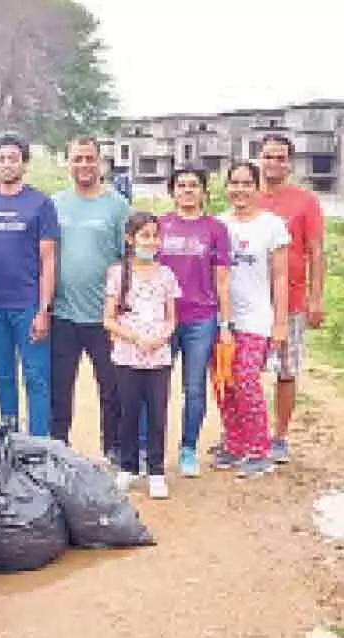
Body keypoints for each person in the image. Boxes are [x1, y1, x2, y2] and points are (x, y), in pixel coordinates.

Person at [148, 166, 232, 478]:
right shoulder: (159, 225)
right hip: (163, 319)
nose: (187, 190)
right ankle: (147, 448)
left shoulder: (216, 229)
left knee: (194, 388)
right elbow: (145, 271)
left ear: (204, 191)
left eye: (193, 185)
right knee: (154, 386)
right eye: (181, 185)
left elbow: (222, 281)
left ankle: (188, 449)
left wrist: (225, 324)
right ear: (172, 191)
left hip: (201, 320)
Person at [0, 132, 59, 435]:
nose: (7, 164)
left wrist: (43, 309)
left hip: (28, 306)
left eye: (13, 158)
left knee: (36, 378)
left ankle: (37, 445)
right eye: (1, 159)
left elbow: (48, 259)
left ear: (24, 164)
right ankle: (9, 440)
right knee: (3, 377)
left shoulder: (41, 204)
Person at [51, 136, 130, 459]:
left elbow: (127, 259)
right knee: (60, 387)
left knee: (111, 388)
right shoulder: (55, 204)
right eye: (77, 159)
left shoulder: (117, 205)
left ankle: (113, 449)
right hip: (62, 313)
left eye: (89, 158)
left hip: (104, 316)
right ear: (68, 163)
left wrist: (121, 307)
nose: (84, 165)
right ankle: (58, 449)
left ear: (100, 162)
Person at [214, 161, 289, 478]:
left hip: (256, 318)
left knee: (246, 382)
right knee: (224, 383)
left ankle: (259, 450)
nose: (240, 190)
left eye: (247, 183)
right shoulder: (219, 224)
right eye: (234, 183)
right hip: (222, 318)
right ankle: (234, 444)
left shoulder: (272, 226)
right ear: (226, 187)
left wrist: (280, 323)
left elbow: (281, 277)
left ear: (258, 188)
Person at [256, 133, 325, 464]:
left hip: (293, 301)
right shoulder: (247, 196)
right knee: (244, 371)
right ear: (260, 159)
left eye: (280, 158)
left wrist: (316, 298)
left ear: (290, 164)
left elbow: (316, 251)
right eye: (268, 156)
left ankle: (280, 436)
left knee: (286, 370)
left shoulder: (305, 202)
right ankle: (242, 433)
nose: (273, 163)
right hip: (252, 302)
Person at [103, 212, 181, 499]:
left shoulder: (166, 275)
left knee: (157, 413)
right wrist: (136, 338)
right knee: (129, 412)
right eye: (144, 235)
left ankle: (156, 471)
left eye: (155, 236)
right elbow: (108, 319)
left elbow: (172, 318)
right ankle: (128, 466)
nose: (150, 241)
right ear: (130, 239)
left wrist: (161, 338)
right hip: (127, 356)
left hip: (158, 357)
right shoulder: (117, 274)